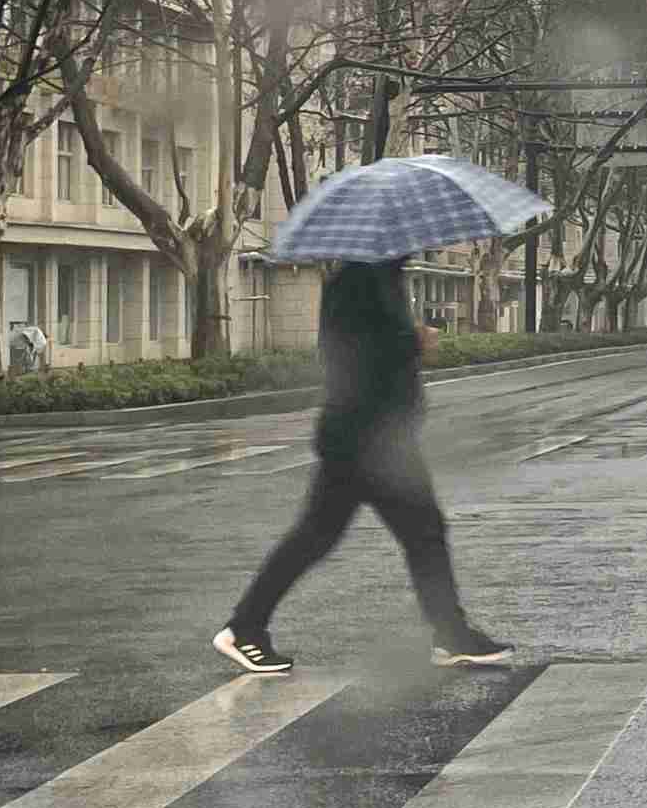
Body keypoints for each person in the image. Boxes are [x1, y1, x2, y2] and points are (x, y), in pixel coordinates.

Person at [213, 258, 512, 675]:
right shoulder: (359, 277)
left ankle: (245, 627)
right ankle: (450, 635)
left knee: (325, 536)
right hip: (364, 439)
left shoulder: (381, 274)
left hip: (374, 437)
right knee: (418, 532)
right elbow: (352, 352)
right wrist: (413, 342)